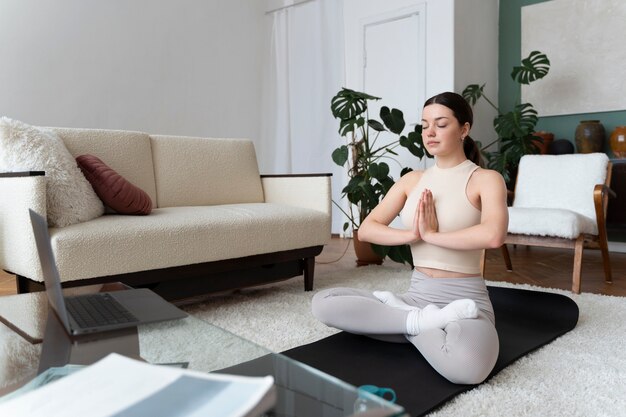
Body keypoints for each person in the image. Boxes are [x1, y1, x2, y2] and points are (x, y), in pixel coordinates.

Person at [311, 91, 509, 384]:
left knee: (469, 368)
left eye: (441, 124)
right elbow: (368, 228)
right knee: (324, 303)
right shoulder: (413, 180)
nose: (429, 132)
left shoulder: (485, 179)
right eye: (424, 124)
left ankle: (404, 324)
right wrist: (412, 234)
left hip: (465, 302)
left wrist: (432, 235)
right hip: (416, 296)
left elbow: (494, 235)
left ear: (464, 130)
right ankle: (418, 322)